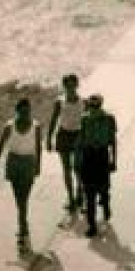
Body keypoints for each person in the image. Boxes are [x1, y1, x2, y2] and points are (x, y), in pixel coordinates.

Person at [0, 97, 43, 252]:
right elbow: (0, 145)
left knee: (23, 198)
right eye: (22, 111)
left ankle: (22, 229)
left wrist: (38, 165)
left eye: (27, 111)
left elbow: (38, 147)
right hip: (14, 162)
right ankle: (23, 227)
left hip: (29, 162)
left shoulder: (36, 126)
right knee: (18, 197)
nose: (25, 114)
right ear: (17, 111)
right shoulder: (9, 126)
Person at [77, 94, 117, 237]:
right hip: (88, 157)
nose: (94, 109)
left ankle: (106, 205)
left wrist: (114, 160)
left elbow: (112, 141)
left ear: (101, 105)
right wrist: (79, 160)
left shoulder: (109, 119)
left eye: (96, 106)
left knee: (103, 188)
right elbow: (81, 141)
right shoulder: (84, 119)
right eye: (92, 106)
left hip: (102, 156)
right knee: (89, 193)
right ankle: (92, 225)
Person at [47, 74, 85, 214]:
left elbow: (86, 122)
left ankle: (80, 193)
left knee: (78, 168)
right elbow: (53, 120)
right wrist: (49, 138)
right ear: (64, 86)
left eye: (72, 85)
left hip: (78, 136)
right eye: (67, 86)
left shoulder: (83, 102)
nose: (70, 88)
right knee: (66, 169)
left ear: (77, 85)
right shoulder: (59, 102)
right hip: (63, 135)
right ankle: (70, 197)